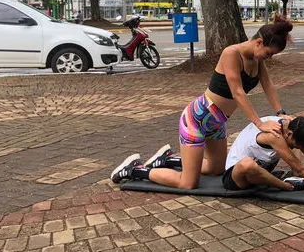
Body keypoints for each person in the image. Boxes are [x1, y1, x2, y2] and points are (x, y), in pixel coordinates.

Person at [110, 15, 294, 188]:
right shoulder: (231, 53)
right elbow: (238, 92)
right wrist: (259, 124)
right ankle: (134, 169)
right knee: (188, 184)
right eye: (269, 53)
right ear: (259, 42)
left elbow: (268, 85)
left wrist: (281, 113)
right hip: (196, 120)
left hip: (216, 123)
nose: (269, 58)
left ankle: (169, 159)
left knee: (217, 169)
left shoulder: (257, 59)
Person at [112, 116, 304, 198]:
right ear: (288, 134)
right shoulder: (275, 136)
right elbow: (301, 168)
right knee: (251, 166)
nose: (294, 148)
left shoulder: (296, 125)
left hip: (253, 169)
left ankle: (168, 159)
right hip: (234, 175)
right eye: (294, 145)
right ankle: (136, 170)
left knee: (278, 172)